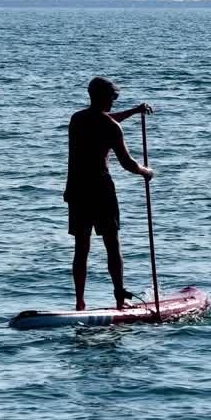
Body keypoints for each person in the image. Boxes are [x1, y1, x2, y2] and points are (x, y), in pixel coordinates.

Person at [64, 76, 154, 310]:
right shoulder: (112, 127)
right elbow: (128, 163)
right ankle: (120, 300)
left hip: (76, 190)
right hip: (101, 191)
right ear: (104, 97)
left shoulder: (77, 119)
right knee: (112, 245)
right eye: (113, 97)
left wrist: (134, 112)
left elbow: (102, 120)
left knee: (81, 248)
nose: (115, 100)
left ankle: (79, 302)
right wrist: (146, 172)